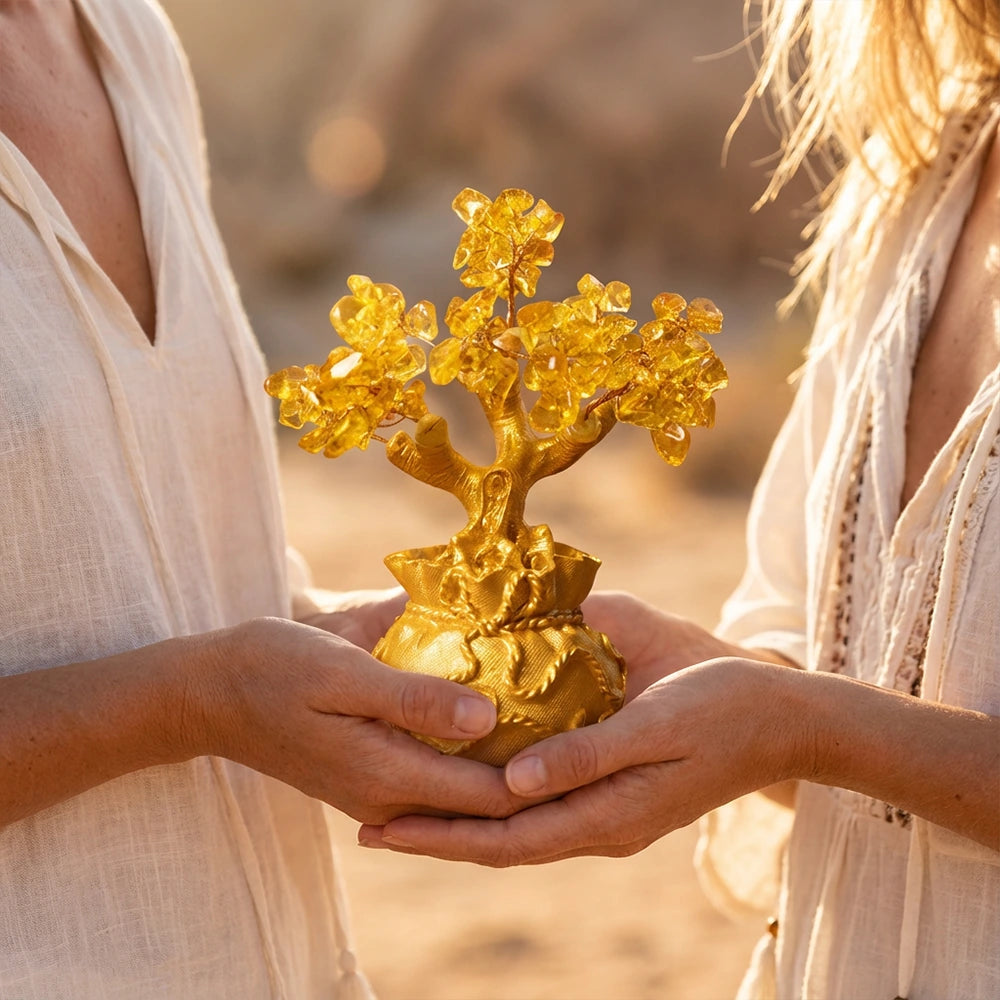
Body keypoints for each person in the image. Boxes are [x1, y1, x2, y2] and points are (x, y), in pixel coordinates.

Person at [359, 2, 1000, 997]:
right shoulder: (925, 167)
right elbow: (826, 665)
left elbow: (820, 722)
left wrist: (806, 726)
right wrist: (720, 690)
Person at [0, 1, 519, 996]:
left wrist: (336, 642)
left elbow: (128, 553)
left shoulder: (125, 34)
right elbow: (197, 679)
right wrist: (204, 698)